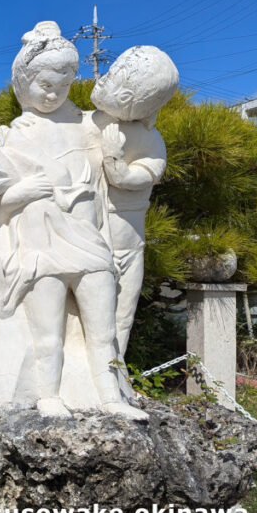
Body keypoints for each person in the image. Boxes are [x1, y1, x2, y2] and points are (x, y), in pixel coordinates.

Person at [0, 21, 146, 420]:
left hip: (91, 243)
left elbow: (128, 147)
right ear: (23, 83)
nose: (53, 93)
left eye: (62, 84)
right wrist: (29, 190)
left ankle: (110, 397)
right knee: (47, 334)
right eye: (44, 84)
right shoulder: (16, 134)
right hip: (41, 247)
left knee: (102, 330)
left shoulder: (87, 126)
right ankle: (48, 395)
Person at [90, 46, 179, 361]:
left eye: (126, 92)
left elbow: (129, 179)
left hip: (127, 245)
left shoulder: (153, 141)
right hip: (87, 237)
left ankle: (114, 373)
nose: (105, 84)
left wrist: (113, 155)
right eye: (112, 75)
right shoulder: (86, 122)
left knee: (121, 316)